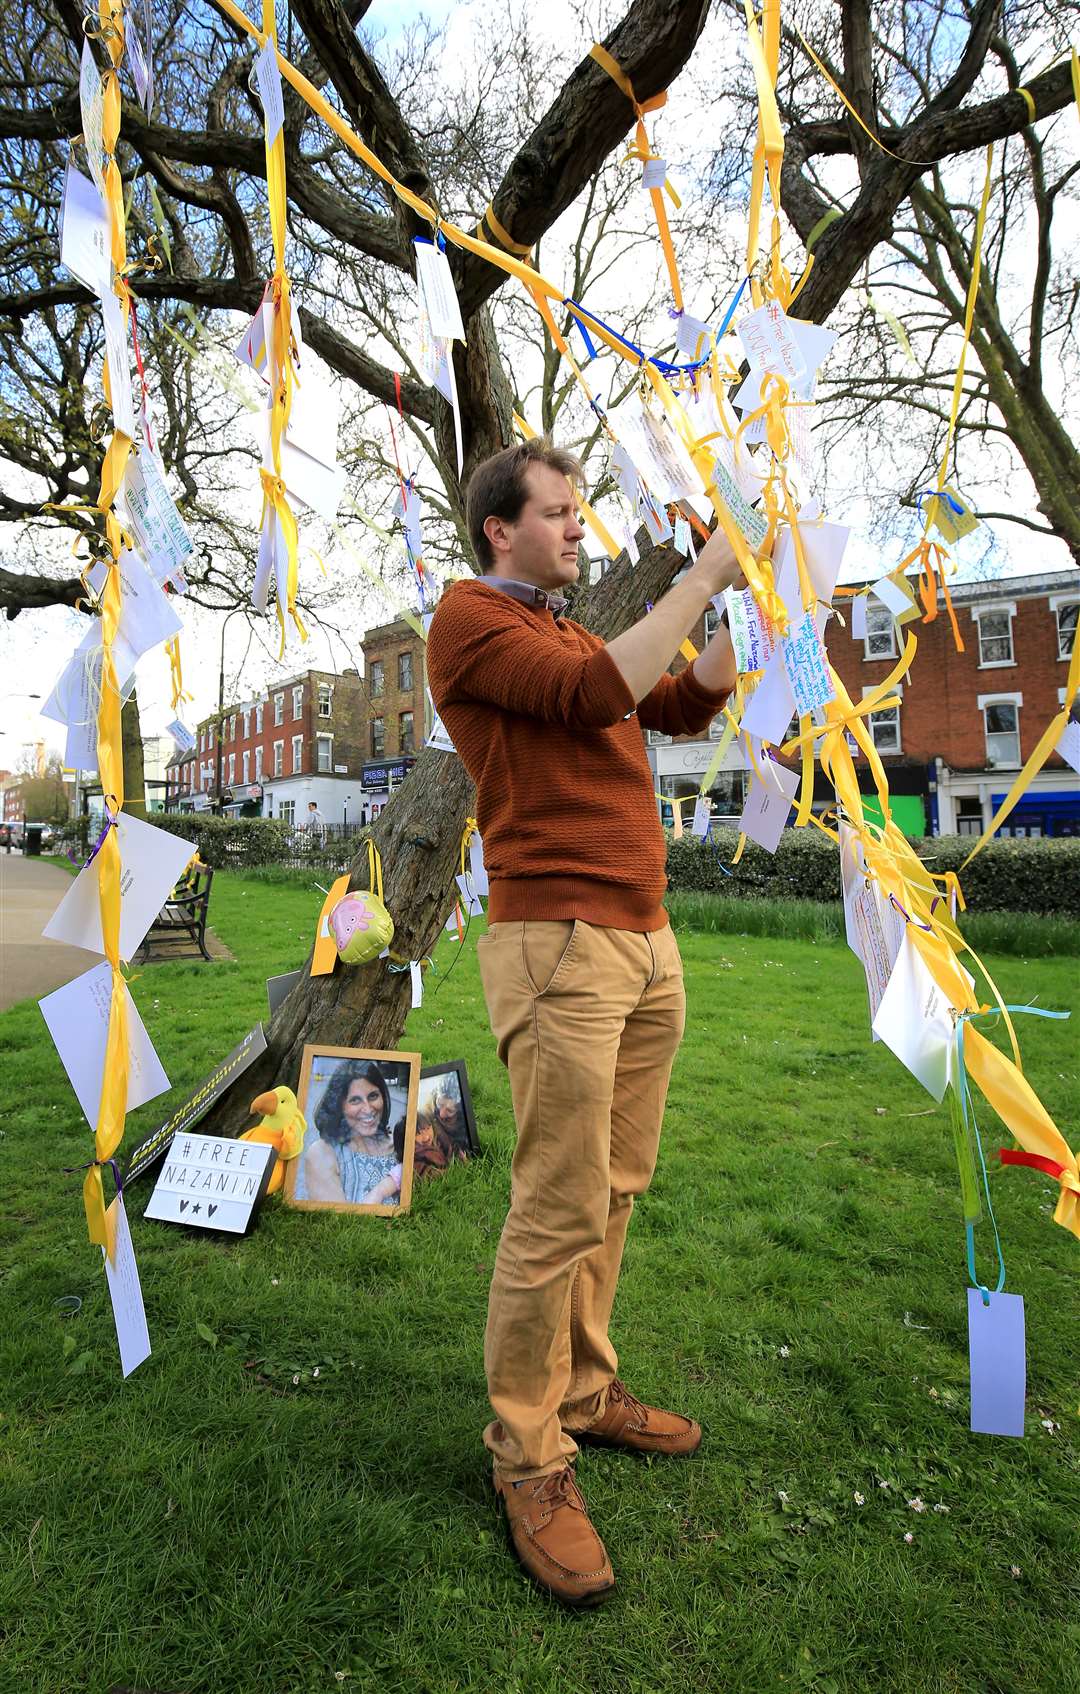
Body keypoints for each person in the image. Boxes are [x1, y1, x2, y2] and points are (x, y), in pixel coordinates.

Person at [426, 436, 743, 1607]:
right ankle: (528, 1456)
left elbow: (675, 702)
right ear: (499, 528)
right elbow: (595, 693)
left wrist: (743, 624)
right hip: (555, 938)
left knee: (614, 1183)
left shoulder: (565, 627)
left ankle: (583, 1391)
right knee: (556, 1201)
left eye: (578, 510)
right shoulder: (469, 619)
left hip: (641, 936)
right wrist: (700, 575)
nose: (578, 526)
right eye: (558, 512)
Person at [303, 1060, 402, 1205]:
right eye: (355, 1100)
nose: (368, 1110)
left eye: (373, 1096)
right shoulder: (323, 1153)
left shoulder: (403, 1144)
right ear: (339, 1105)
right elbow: (339, 1225)